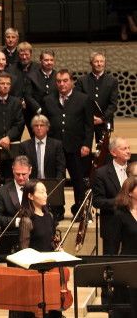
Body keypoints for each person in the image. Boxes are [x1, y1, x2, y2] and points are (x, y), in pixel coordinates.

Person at [14, 181, 66, 318]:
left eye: (46, 191)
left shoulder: (49, 216)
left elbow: (49, 242)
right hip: (35, 272)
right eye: (41, 192)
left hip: (50, 270)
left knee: (51, 308)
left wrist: (57, 249)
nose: (45, 195)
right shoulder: (27, 220)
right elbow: (24, 250)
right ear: (30, 196)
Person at [43, 69, 93, 214]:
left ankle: (80, 211)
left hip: (77, 147)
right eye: (58, 81)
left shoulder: (84, 99)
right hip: (55, 147)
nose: (62, 84)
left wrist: (86, 144)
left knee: (78, 180)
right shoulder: (48, 100)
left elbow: (89, 125)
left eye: (65, 81)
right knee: (57, 180)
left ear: (72, 82)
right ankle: (57, 211)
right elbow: (46, 124)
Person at [92, 136, 132, 255]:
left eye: (129, 148)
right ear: (113, 152)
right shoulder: (101, 173)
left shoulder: (134, 169)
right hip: (111, 224)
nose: (128, 151)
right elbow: (97, 201)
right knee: (110, 262)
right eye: (124, 148)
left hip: (132, 224)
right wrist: (119, 201)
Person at [110, 177, 137, 318]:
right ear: (130, 192)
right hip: (127, 264)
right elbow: (113, 244)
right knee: (125, 303)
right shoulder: (120, 215)